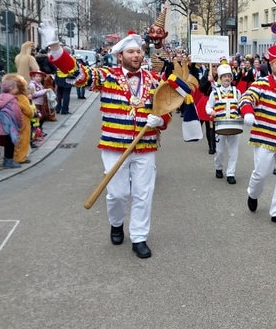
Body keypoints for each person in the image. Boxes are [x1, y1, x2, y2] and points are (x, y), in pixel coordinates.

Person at [43, 24, 193, 259]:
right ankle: (116, 223)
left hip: (145, 147)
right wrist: (55, 48)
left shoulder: (154, 80)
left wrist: (160, 120)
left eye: (138, 52)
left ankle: (139, 237)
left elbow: (170, 103)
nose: (136, 56)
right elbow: (77, 74)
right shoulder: (106, 77)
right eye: (131, 52)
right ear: (119, 55)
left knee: (144, 193)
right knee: (118, 193)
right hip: (114, 145)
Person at [239, 24, 276, 228]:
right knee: (261, 173)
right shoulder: (261, 84)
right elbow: (247, 98)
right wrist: (247, 112)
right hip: (264, 137)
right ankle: (253, 194)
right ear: (271, 64)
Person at [205, 58, 241, 184]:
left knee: (233, 152)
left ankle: (231, 173)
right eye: (224, 76)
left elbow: (241, 106)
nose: (227, 79)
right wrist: (211, 112)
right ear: (220, 78)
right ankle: (218, 167)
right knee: (219, 151)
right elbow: (208, 107)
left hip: (234, 126)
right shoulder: (214, 93)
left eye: (228, 76)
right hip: (220, 126)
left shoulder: (237, 92)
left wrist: (241, 113)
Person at [0, 74, 29, 168]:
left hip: (2, 126)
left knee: (6, 144)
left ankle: (6, 160)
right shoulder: (14, 99)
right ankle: (10, 162)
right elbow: (18, 113)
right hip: (12, 126)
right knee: (12, 144)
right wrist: (20, 123)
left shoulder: (0, 98)